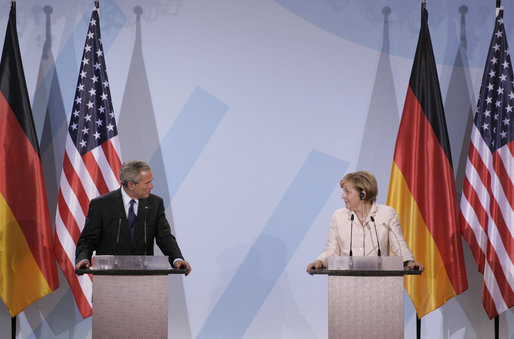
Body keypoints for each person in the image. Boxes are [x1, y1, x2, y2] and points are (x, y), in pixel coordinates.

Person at [75, 160, 191, 275]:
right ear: (131, 185)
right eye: (147, 183)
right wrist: (83, 258)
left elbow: (165, 237)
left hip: (144, 277)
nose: (151, 186)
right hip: (110, 278)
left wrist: (177, 259)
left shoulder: (155, 204)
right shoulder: (102, 205)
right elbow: (88, 239)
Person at [306, 170, 423, 274]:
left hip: (379, 282)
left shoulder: (387, 213)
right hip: (346, 282)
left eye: (347, 192)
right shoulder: (338, 216)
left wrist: (408, 262)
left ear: (363, 194)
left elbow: (398, 244)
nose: (343, 196)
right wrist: (320, 261)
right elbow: (332, 249)